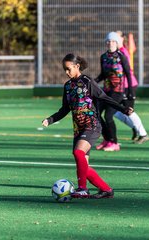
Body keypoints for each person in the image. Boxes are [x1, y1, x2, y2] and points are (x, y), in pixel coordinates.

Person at [42, 53, 133, 199]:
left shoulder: (87, 82)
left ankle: (82, 188)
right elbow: (65, 109)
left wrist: (123, 108)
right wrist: (50, 119)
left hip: (92, 125)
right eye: (64, 69)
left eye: (68, 69)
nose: (66, 72)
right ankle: (106, 190)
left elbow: (104, 98)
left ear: (77, 66)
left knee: (78, 153)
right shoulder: (67, 86)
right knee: (83, 165)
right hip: (78, 129)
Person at [95, 31, 133, 151]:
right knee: (96, 114)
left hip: (118, 92)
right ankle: (107, 139)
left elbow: (128, 74)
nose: (110, 43)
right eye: (108, 41)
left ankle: (114, 142)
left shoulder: (121, 56)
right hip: (106, 91)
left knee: (108, 116)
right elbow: (103, 75)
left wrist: (130, 92)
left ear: (117, 43)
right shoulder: (104, 57)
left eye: (113, 41)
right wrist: (92, 81)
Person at [113, 30, 149, 144]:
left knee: (128, 111)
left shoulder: (123, 52)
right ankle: (135, 127)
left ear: (122, 39)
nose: (113, 40)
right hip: (119, 86)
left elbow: (126, 71)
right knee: (114, 111)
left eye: (116, 37)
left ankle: (143, 134)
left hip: (128, 86)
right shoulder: (115, 53)